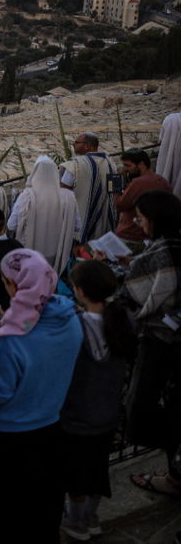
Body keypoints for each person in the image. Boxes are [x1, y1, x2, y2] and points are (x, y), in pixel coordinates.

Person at [0, 249, 83, 543]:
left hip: (2, 438)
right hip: (49, 430)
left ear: (14, 285)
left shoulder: (13, 337)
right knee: (34, 515)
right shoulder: (69, 316)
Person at [59, 260, 137, 541]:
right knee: (97, 468)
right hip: (108, 411)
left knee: (76, 472)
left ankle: (76, 521)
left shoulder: (74, 326)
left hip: (76, 414)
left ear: (78, 291)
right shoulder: (124, 318)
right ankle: (91, 517)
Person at [121, 190, 181, 499]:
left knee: (139, 415)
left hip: (159, 342)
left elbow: (132, 296)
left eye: (141, 218)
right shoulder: (173, 245)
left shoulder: (157, 255)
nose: (137, 222)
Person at [8, 155, 80, 274]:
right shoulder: (68, 197)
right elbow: (77, 226)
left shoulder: (26, 196)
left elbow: (11, 225)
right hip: (57, 256)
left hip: (30, 254)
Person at [61, 132, 118, 243]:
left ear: (87, 146)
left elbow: (63, 191)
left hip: (81, 220)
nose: (73, 144)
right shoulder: (110, 162)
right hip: (105, 220)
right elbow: (115, 190)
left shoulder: (76, 164)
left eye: (77, 142)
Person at [115, 148, 171, 244]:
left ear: (141, 165)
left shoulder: (138, 183)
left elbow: (120, 205)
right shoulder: (162, 181)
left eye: (127, 165)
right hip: (152, 236)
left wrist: (116, 184)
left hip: (132, 236)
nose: (124, 169)